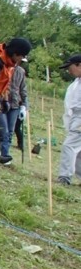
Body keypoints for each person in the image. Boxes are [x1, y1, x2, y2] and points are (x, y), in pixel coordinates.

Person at [57, 54, 81, 185]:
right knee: (78, 151)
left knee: (69, 146)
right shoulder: (76, 83)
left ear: (79, 65)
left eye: (70, 67)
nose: (69, 71)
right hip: (76, 117)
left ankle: (65, 176)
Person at [5, 62, 29, 155]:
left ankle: (5, 153)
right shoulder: (4, 67)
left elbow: (23, 89)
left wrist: (24, 106)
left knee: (12, 129)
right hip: (3, 102)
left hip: (15, 104)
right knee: (2, 128)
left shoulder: (21, 71)